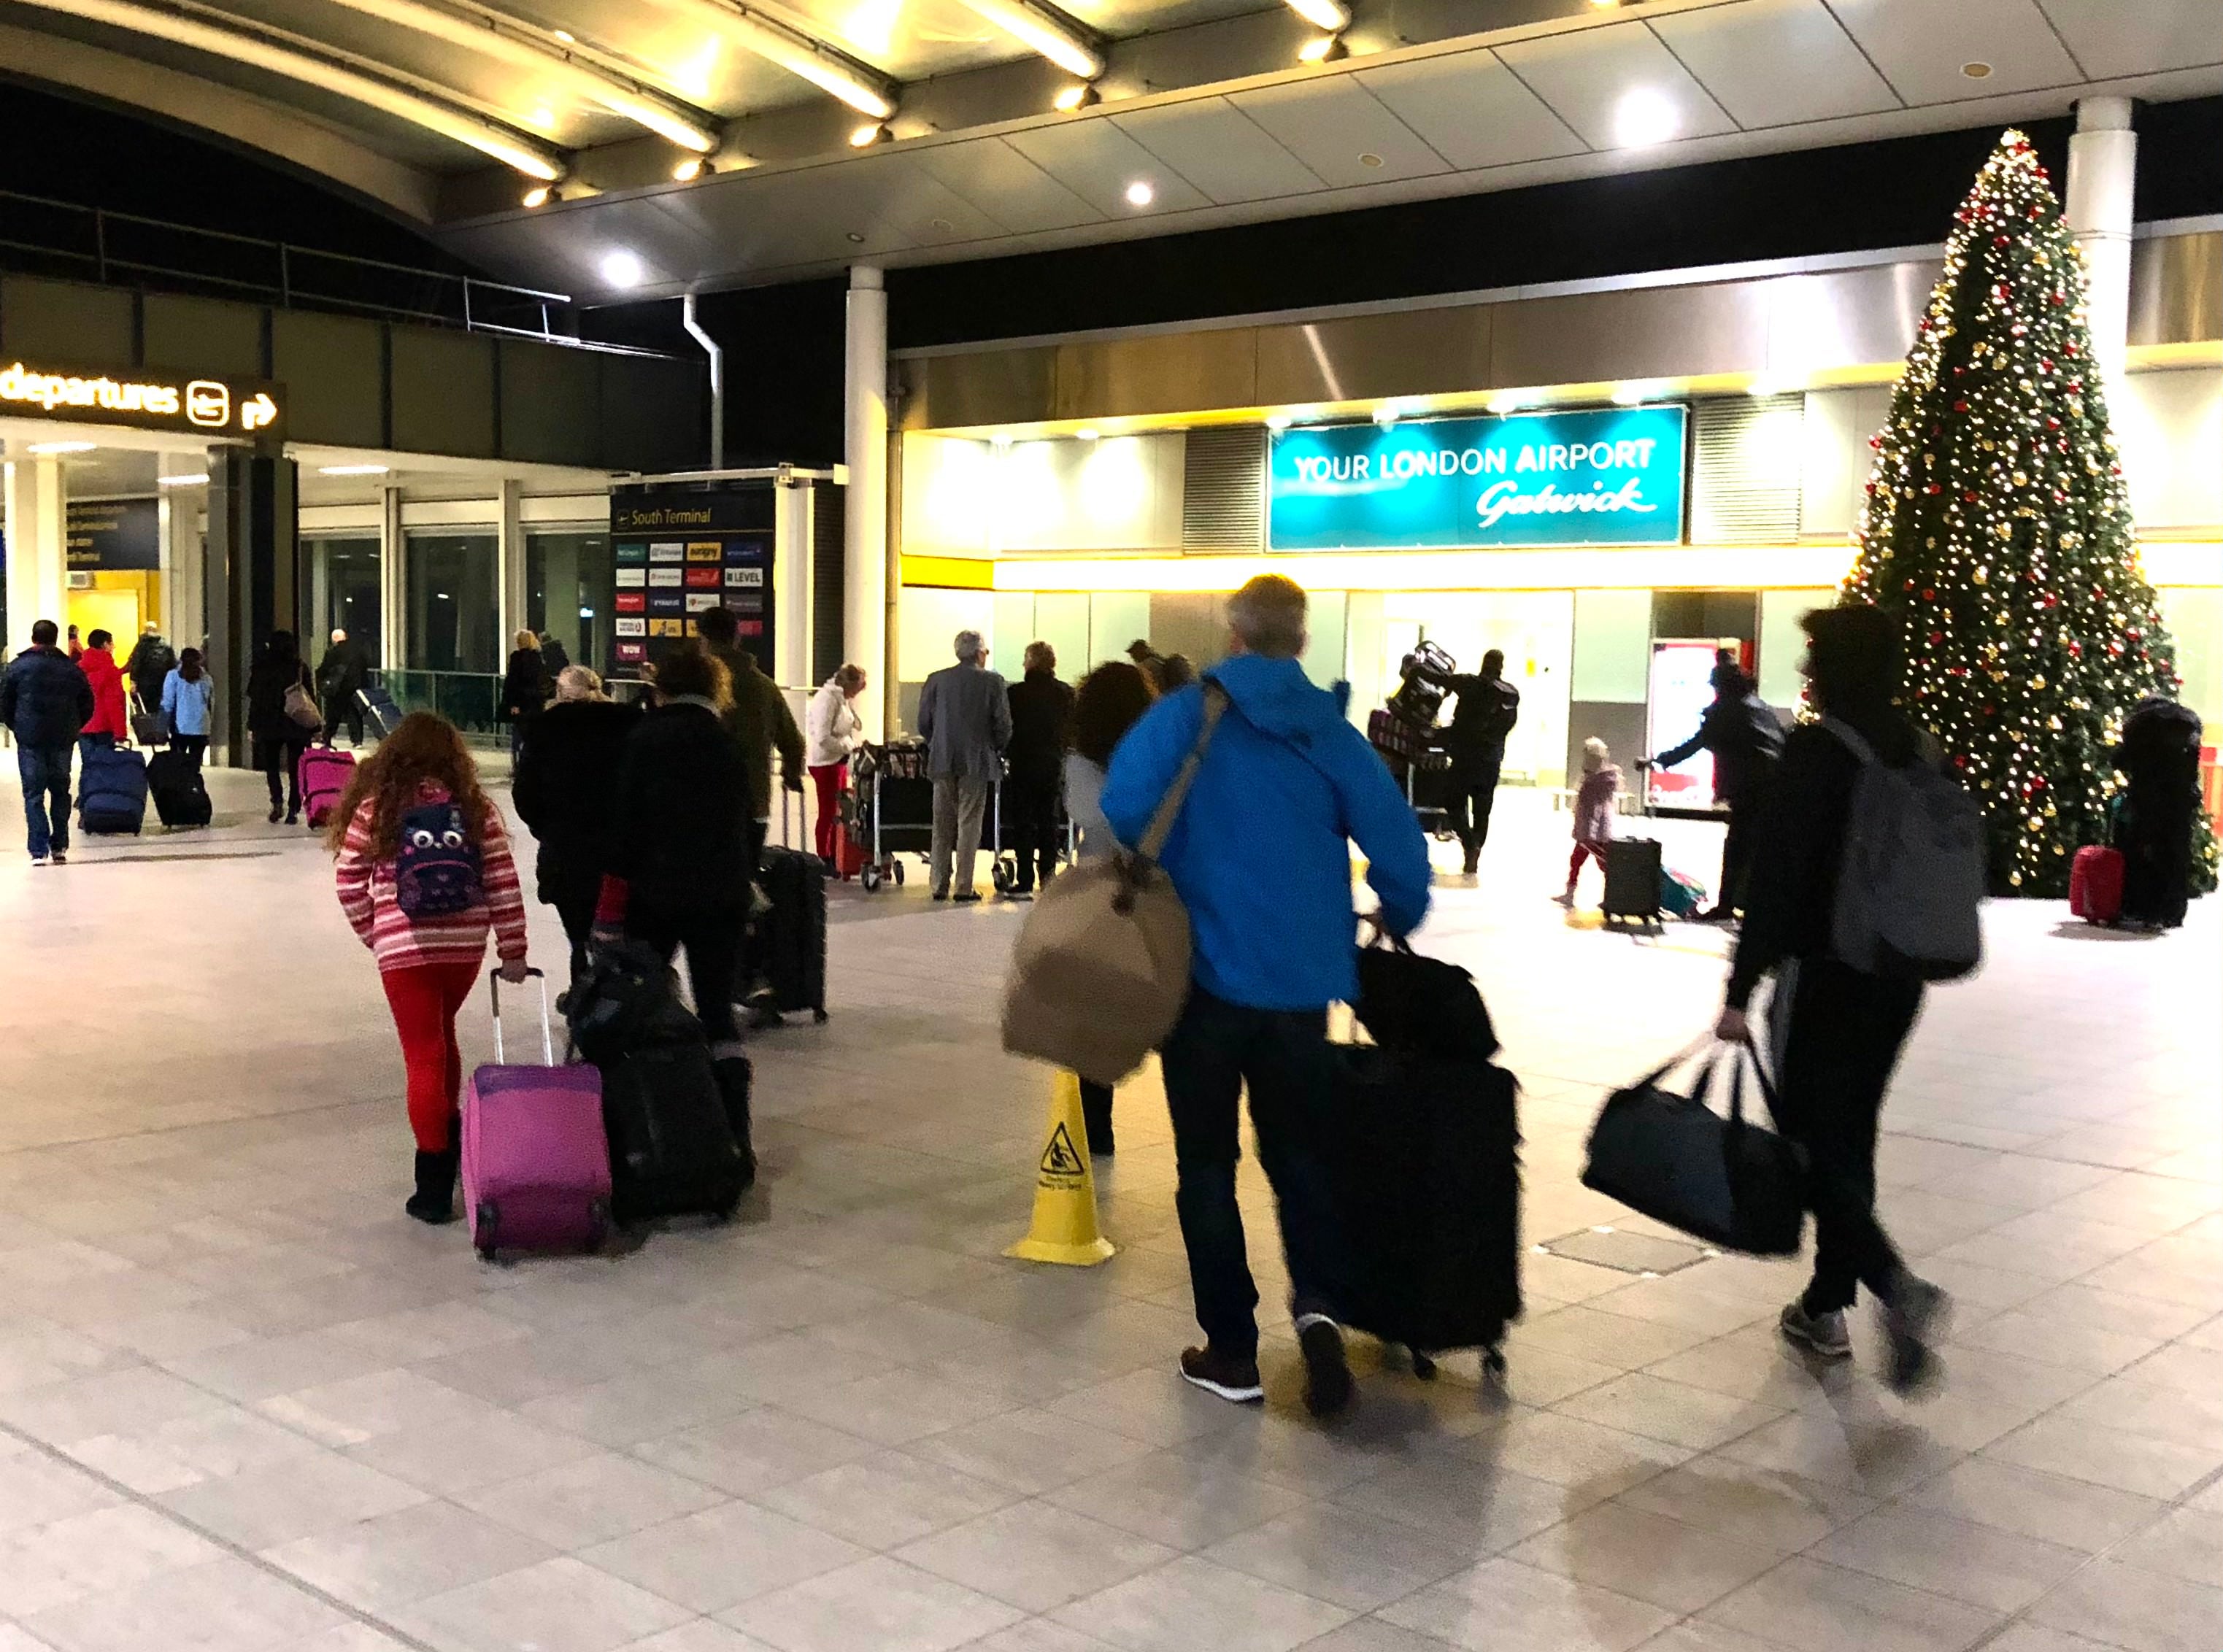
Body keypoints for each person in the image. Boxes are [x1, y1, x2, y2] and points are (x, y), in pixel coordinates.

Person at [1102, 574, 1431, 1416]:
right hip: (1300, 987)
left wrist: (1183, 853)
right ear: (1301, 643)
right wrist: (1398, 906)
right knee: (1301, 1158)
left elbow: (1123, 800)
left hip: (1203, 978)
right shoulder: (1327, 728)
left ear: (1235, 635)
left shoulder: (1188, 713)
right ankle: (1319, 1314)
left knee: (1206, 1163)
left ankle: (1232, 1350)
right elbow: (1397, 841)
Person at [1715, 602, 1950, 1396]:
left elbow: (1775, 879)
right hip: (1897, 977)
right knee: (1850, 1135)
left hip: (1825, 975)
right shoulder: (1915, 746)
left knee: (1810, 1145)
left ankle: (1892, 1285)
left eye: (1814, 655)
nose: (1806, 670)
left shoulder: (1819, 750)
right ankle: (1824, 1303)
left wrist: (1740, 987)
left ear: (1835, 666)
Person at [330, 711, 530, 1224]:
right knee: (442, 1035)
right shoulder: (474, 809)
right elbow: (502, 880)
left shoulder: (379, 810)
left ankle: (434, 1188)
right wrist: (513, 947)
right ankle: (454, 1133)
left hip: (406, 947)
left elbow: (348, 880)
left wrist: (375, 934)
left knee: (423, 1054)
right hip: (464, 945)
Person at [593, 646, 758, 1173]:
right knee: (717, 1014)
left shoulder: (643, 740)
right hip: (720, 897)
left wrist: (608, 909)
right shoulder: (725, 742)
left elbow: (623, 830)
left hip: (654, 896)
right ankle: (735, 1137)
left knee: (644, 1007)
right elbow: (746, 825)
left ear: (659, 686)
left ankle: (648, 1130)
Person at [1063, 659, 1156, 1156]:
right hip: (1159, 887)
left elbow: (1088, 817)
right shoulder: (1158, 754)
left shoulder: (1081, 761)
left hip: (1101, 887)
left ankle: (1098, 1125)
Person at [512, 666, 642, 983]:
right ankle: (626, 996)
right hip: (622, 848)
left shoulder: (546, 730)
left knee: (578, 931)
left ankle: (585, 995)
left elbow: (525, 793)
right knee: (623, 927)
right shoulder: (629, 724)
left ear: (560, 694)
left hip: (566, 848)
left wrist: (545, 828)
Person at [1644, 657, 1784, 921]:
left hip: (1752, 791)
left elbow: (1696, 744)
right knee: (1760, 850)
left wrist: (1658, 761)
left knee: (1738, 848)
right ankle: (1752, 904)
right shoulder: (1760, 707)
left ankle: (1727, 906)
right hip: (1776, 787)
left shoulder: (1727, 711)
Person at [696, 606, 805, 871]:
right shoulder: (764, 686)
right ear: (737, 638)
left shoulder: (695, 682)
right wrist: (791, 773)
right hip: (753, 800)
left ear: (703, 639)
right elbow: (793, 741)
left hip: (700, 801)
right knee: (746, 877)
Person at [917, 629, 1012, 903]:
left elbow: (924, 722)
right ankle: (963, 886)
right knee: (969, 823)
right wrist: (995, 747)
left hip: (942, 759)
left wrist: (938, 741)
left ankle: (938, 884)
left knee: (942, 823)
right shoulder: (993, 682)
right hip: (977, 762)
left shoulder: (936, 680)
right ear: (980, 653)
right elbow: (1003, 725)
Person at [0, 619, 93, 865]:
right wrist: (75, 726)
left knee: (33, 793)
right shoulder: (72, 669)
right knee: (60, 791)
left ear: (33, 638)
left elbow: (5, 703)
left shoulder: (17, 667)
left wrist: (17, 726)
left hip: (30, 739)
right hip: (63, 738)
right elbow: (87, 703)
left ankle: (38, 849)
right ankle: (60, 845)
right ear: (55, 639)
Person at [2113, 695, 2203, 933]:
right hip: (2181, 801)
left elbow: (2120, 760)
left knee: (2141, 849)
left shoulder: (2140, 725)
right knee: (2176, 854)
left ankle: (2140, 907)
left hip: (2147, 799)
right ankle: (2172, 912)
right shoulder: (2188, 724)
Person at [1437, 649, 1520, 876]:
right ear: (1501, 666)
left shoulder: (1468, 683)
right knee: (1482, 812)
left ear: (1484, 663)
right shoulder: (1511, 694)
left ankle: (1468, 843)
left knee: (1454, 803)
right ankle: (1475, 848)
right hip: (1491, 761)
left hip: (1464, 758)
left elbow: (1441, 679)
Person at [1003, 641, 1074, 901]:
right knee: (1049, 822)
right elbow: (1071, 731)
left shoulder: (1015, 694)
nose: (1023, 663)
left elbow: (1006, 729)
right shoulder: (1065, 693)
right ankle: (1048, 878)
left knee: (1023, 823)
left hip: (1022, 764)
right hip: (1053, 765)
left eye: (1025, 658)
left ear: (1032, 662)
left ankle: (1024, 881)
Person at [246, 632, 317, 825]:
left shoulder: (261, 667)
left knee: (272, 766)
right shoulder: (300, 667)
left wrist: (252, 725)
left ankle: (277, 802)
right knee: (295, 767)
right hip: (295, 723)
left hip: (269, 723)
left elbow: (255, 699)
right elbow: (309, 697)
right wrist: (315, 725)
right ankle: (294, 808)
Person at [806, 663, 868, 869]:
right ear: (848, 683)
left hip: (838, 760)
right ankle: (824, 857)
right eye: (858, 688)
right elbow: (823, 737)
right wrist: (848, 746)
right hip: (826, 762)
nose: (860, 692)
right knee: (828, 812)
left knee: (839, 811)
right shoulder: (827, 699)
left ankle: (835, 854)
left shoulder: (842, 699)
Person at [1558, 738, 1622, 907]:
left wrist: (1588, 833)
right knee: (1580, 861)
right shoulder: (1602, 779)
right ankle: (1572, 894)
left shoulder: (1595, 781)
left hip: (1591, 833)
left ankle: (1612, 897)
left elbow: (1593, 810)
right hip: (1592, 831)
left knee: (1603, 864)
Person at [74, 630, 128, 765]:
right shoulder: (111, 671)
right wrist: (120, 732)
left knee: (88, 766)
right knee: (104, 768)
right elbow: (114, 703)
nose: (113, 647)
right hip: (105, 727)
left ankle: (87, 786)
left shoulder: (77, 669)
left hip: (83, 725)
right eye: (111, 643)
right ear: (105, 644)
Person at [316, 628, 371, 747]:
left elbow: (324, 669)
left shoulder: (333, 651)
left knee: (333, 714)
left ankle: (327, 738)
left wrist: (322, 684)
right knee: (354, 713)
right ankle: (357, 740)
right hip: (355, 687)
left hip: (338, 688)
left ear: (334, 640)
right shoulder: (357, 651)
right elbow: (364, 669)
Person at [161, 648, 215, 768]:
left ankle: (180, 785)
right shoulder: (206, 678)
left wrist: (164, 721)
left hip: (180, 726)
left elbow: (168, 702)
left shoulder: (173, 676)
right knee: (195, 763)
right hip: (201, 726)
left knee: (177, 762)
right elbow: (210, 701)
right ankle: (193, 783)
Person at [500, 630, 548, 763]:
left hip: (521, 702)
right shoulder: (538, 658)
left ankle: (518, 763)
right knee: (532, 734)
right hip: (535, 702)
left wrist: (513, 703)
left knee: (518, 735)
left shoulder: (517, 657)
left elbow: (514, 681)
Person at [125, 624, 176, 714]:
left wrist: (133, 681)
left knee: (144, 711)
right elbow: (172, 665)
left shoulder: (141, 646)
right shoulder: (166, 647)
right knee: (158, 709)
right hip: (162, 684)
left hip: (144, 685)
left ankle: (147, 726)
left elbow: (135, 663)